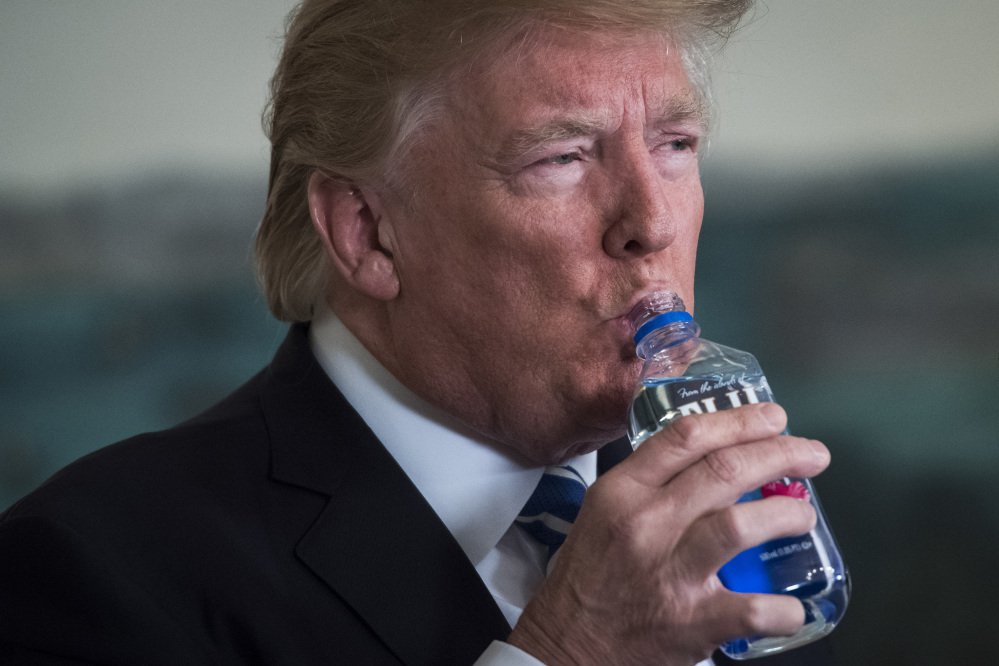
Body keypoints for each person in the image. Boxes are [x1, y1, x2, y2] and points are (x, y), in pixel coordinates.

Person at [0, 0, 839, 664]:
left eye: (675, 143)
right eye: (563, 158)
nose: (651, 223)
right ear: (367, 232)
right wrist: (568, 657)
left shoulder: (732, 511)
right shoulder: (90, 571)